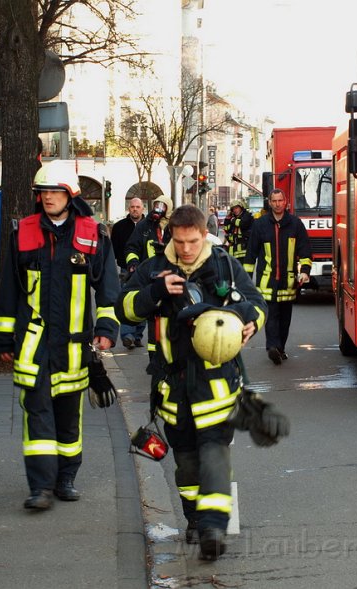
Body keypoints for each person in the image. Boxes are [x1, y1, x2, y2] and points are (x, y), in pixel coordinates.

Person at [115, 204, 267, 560]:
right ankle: (195, 520)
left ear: (204, 235)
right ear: (171, 235)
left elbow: (255, 302)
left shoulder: (224, 264)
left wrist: (249, 322)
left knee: (215, 452)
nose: (186, 248)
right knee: (186, 464)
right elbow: (124, 308)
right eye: (179, 241)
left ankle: (214, 527)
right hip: (173, 389)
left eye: (193, 241)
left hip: (216, 386)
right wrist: (154, 293)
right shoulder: (155, 269)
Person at [0, 160, 120, 511]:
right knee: (37, 413)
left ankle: (66, 478)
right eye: (42, 192)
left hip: (75, 345)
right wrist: (3, 338)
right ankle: (40, 487)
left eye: (54, 191)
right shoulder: (24, 232)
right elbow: (10, 290)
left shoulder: (92, 234)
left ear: (70, 195)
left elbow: (108, 287)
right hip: (33, 344)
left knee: (68, 415)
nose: (47, 197)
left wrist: (107, 329)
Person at [244, 188, 312, 365]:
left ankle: (280, 348)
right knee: (271, 316)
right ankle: (272, 347)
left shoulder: (295, 224)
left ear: (285, 202)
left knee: (285, 319)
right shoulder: (260, 225)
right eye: (274, 201)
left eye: (280, 200)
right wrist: (245, 280)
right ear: (269, 203)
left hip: (288, 282)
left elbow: (305, 251)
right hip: (267, 281)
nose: (277, 204)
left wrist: (305, 271)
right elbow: (251, 253)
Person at [123, 194, 174, 357]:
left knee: (170, 315)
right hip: (148, 276)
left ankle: (171, 351)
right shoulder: (145, 225)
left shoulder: (175, 225)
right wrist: (133, 264)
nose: (158, 208)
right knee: (152, 315)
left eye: (162, 205)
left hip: (171, 276)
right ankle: (154, 356)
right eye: (156, 204)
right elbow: (131, 247)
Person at [110, 197, 146, 349]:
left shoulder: (149, 226)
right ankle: (127, 336)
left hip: (145, 271)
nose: (135, 209)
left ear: (142, 208)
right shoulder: (119, 227)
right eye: (132, 207)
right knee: (126, 302)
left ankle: (137, 335)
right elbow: (113, 248)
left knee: (144, 303)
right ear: (128, 208)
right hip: (126, 271)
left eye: (138, 207)